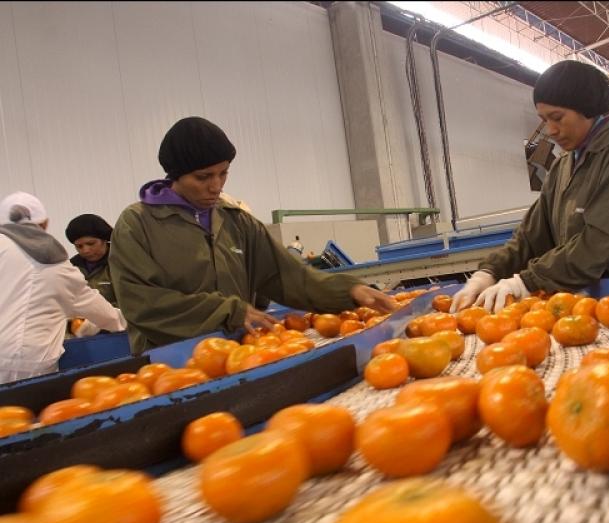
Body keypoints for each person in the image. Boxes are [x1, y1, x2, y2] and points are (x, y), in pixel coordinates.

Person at [110, 116, 397, 353]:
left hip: (240, 355)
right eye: (203, 177)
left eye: (223, 173)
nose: (216, 186)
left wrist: (349, 290)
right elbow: (142, 304)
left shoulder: (235, 221)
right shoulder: (138, 225)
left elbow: (289, 276)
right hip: (170, 365)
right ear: (175, 176)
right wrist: (228, 311)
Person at [452, 60, 609, 314]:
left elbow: (602, 243)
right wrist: (489, 272)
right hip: (586, 303)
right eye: (544, 120)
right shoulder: (564, 165)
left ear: (588, 108)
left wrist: (526, 281)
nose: (551, 130)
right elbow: (531, 236)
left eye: (557, 118)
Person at [0, 192, 127, 383]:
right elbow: (101, 311)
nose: (86, 250)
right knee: (24, 411)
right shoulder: (54, 262)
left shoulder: (120, 262)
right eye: (79, 245)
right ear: (44, 224)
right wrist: (128, 322)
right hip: (29, 363)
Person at [65, 214, 117, 306]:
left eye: (91, 243)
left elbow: (130, 303)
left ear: (104, 240)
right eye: (79, 246)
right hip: (79, 319)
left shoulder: (121, 264)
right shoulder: (70, 268)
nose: (86, 250)